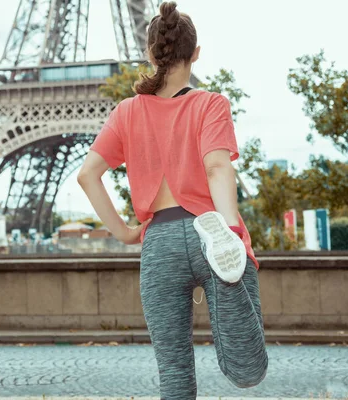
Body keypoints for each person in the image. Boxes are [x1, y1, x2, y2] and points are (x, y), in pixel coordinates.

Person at [77, 2, 267, 398]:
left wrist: (127, 234)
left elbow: (87, 174)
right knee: (247, 368)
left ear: (151, 53)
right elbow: (217, 168)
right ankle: (225, 261)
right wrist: (230, 231)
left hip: (159, 238)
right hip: (209, 230)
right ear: (195, 53)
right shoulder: (210, 103)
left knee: (174, 371)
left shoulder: (127, 111)